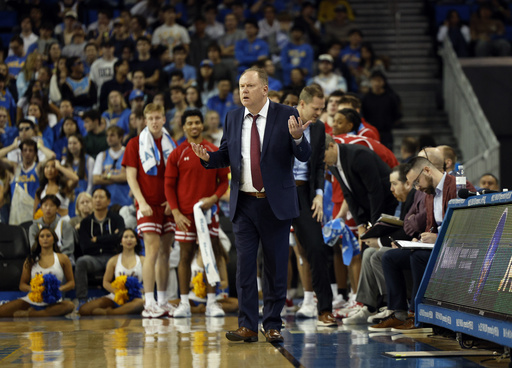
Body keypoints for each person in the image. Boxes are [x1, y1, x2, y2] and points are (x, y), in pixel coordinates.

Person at [190, 67, 311, 343]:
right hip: (244, 203)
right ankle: (246, 324)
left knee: (275, 266)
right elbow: (226, 153)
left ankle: (272, 324)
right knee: (244, 267)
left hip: (274, 203)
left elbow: (304, 156)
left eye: (249, 86)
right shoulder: (233, 117)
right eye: (241, 86)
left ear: (264, 89)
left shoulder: (287, 114)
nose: (243, 91)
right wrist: (208, 158)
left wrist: (297, 138)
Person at [373, 156, 476, 333]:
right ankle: (398, 313)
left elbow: (470, 225)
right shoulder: (430, 194)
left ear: (427, 171)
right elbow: (430, 226)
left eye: (417, 182)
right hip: (437, 248)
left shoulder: (460, 185)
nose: (417, 188)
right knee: (390, 257)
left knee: (418, 257)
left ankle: (416, 313)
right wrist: (420, 239)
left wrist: (438, 237)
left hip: (458, 248)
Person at [165, 109, 229, 318]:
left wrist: (213, 199)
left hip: (209, 215)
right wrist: (175, 213)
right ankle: (184, 303)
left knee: (211, 255)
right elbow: (168, 185)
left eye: (197, 123)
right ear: (183, 127)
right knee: (184, 257)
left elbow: (224, 182)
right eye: (189, 123)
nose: (193, 126)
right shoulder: (177, 153)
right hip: (184, 216)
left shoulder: (213, 150)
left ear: (202, 125)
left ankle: (212, 302)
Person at [342, 164, 424, 324]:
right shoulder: (407, 200)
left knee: (381, 254)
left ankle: (393, 305)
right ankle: (368, 306)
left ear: (407, 183)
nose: (391, 189)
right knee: (368, 253)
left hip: (416, 248)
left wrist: (380, 241)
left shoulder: (415, 195)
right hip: (407, 245)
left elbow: (408, 231)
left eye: (394, 184)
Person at [122, 103, 177, 318]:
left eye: (158, 117)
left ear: (164, 119)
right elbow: (130, 177)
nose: (154, 122)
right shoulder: (135, 144)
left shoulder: (171, 144)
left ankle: (162, 301)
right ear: (145, 121)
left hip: (167, 205)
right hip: (146, 204)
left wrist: (173, 202)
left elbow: (177, 177)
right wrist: (141, 202)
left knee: (165, 253)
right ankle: (149, 302)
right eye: (150, 118)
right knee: (151, 251)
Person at [290, 85, 337, 327]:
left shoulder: (318, 128)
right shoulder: (282, 121)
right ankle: (271, 309)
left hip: (305, 193)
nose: (319, 113)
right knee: (272, 251)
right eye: (316, 108)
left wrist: (319, 194)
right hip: (279, 192)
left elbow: (319, 165)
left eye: (322, 108)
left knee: (317, 248)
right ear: (302, 104)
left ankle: (325, 310)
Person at [324, 134, 397, 249]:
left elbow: (375, 192)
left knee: (376, 251)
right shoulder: (332, 164)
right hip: (370, 207)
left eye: (323, 156)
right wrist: (360, 224)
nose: (323, 161)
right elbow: (348, 194)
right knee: (365, 248)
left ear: (332, 146)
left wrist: (374, 228)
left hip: (389, 204)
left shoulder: (358, 155)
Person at [0, 227, 75, 318]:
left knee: (69, 306)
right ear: (38, 240)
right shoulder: (31, 259)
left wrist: (58, 289)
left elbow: (71, 283)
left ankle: (31, 314)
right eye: (42, 236)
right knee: (2, 311)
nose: (45, 239)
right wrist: (34, 289)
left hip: (53, 301)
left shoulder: (63, 258)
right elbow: (22, 285)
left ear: (54, 239)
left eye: (48, 236)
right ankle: (41, 313)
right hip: (33, 299)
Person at [76, 187, 125, 306]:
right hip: (94, 258)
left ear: (108, 201)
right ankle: (82, 301)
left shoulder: (117, 219)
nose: (97, 200)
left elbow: (120, 238)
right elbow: (85, 247)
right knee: (81, 262)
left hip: (113, 256)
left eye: (101, 197)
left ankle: (124, 296)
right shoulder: (85, 223)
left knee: (125, 261)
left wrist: (97, 239)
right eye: (95, 197)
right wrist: (111, 237)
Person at [78, 228, 144, 316]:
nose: (129, 239)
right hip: (117, 296)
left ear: (136, 241)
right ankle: (123, 310)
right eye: (126, 237)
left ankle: (110, 312)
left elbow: (150, 283)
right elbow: (105, 282)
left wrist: (138, 291)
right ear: (121, 241)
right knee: (84, 310)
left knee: (140, 304)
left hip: (137, 297)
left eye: (132, 237)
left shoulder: (143, 260)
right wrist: (117, 292)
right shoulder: (113, 260)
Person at [92, 126, 131, 208]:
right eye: (107, 136)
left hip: (125, 201)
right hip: (107, 203)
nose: (109, 138)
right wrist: (118, 178)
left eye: (112, 135)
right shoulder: (102, 155)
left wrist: (107, 176)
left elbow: (127, 177)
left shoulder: (129, 153)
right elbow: (95, 179)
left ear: (120, 137)